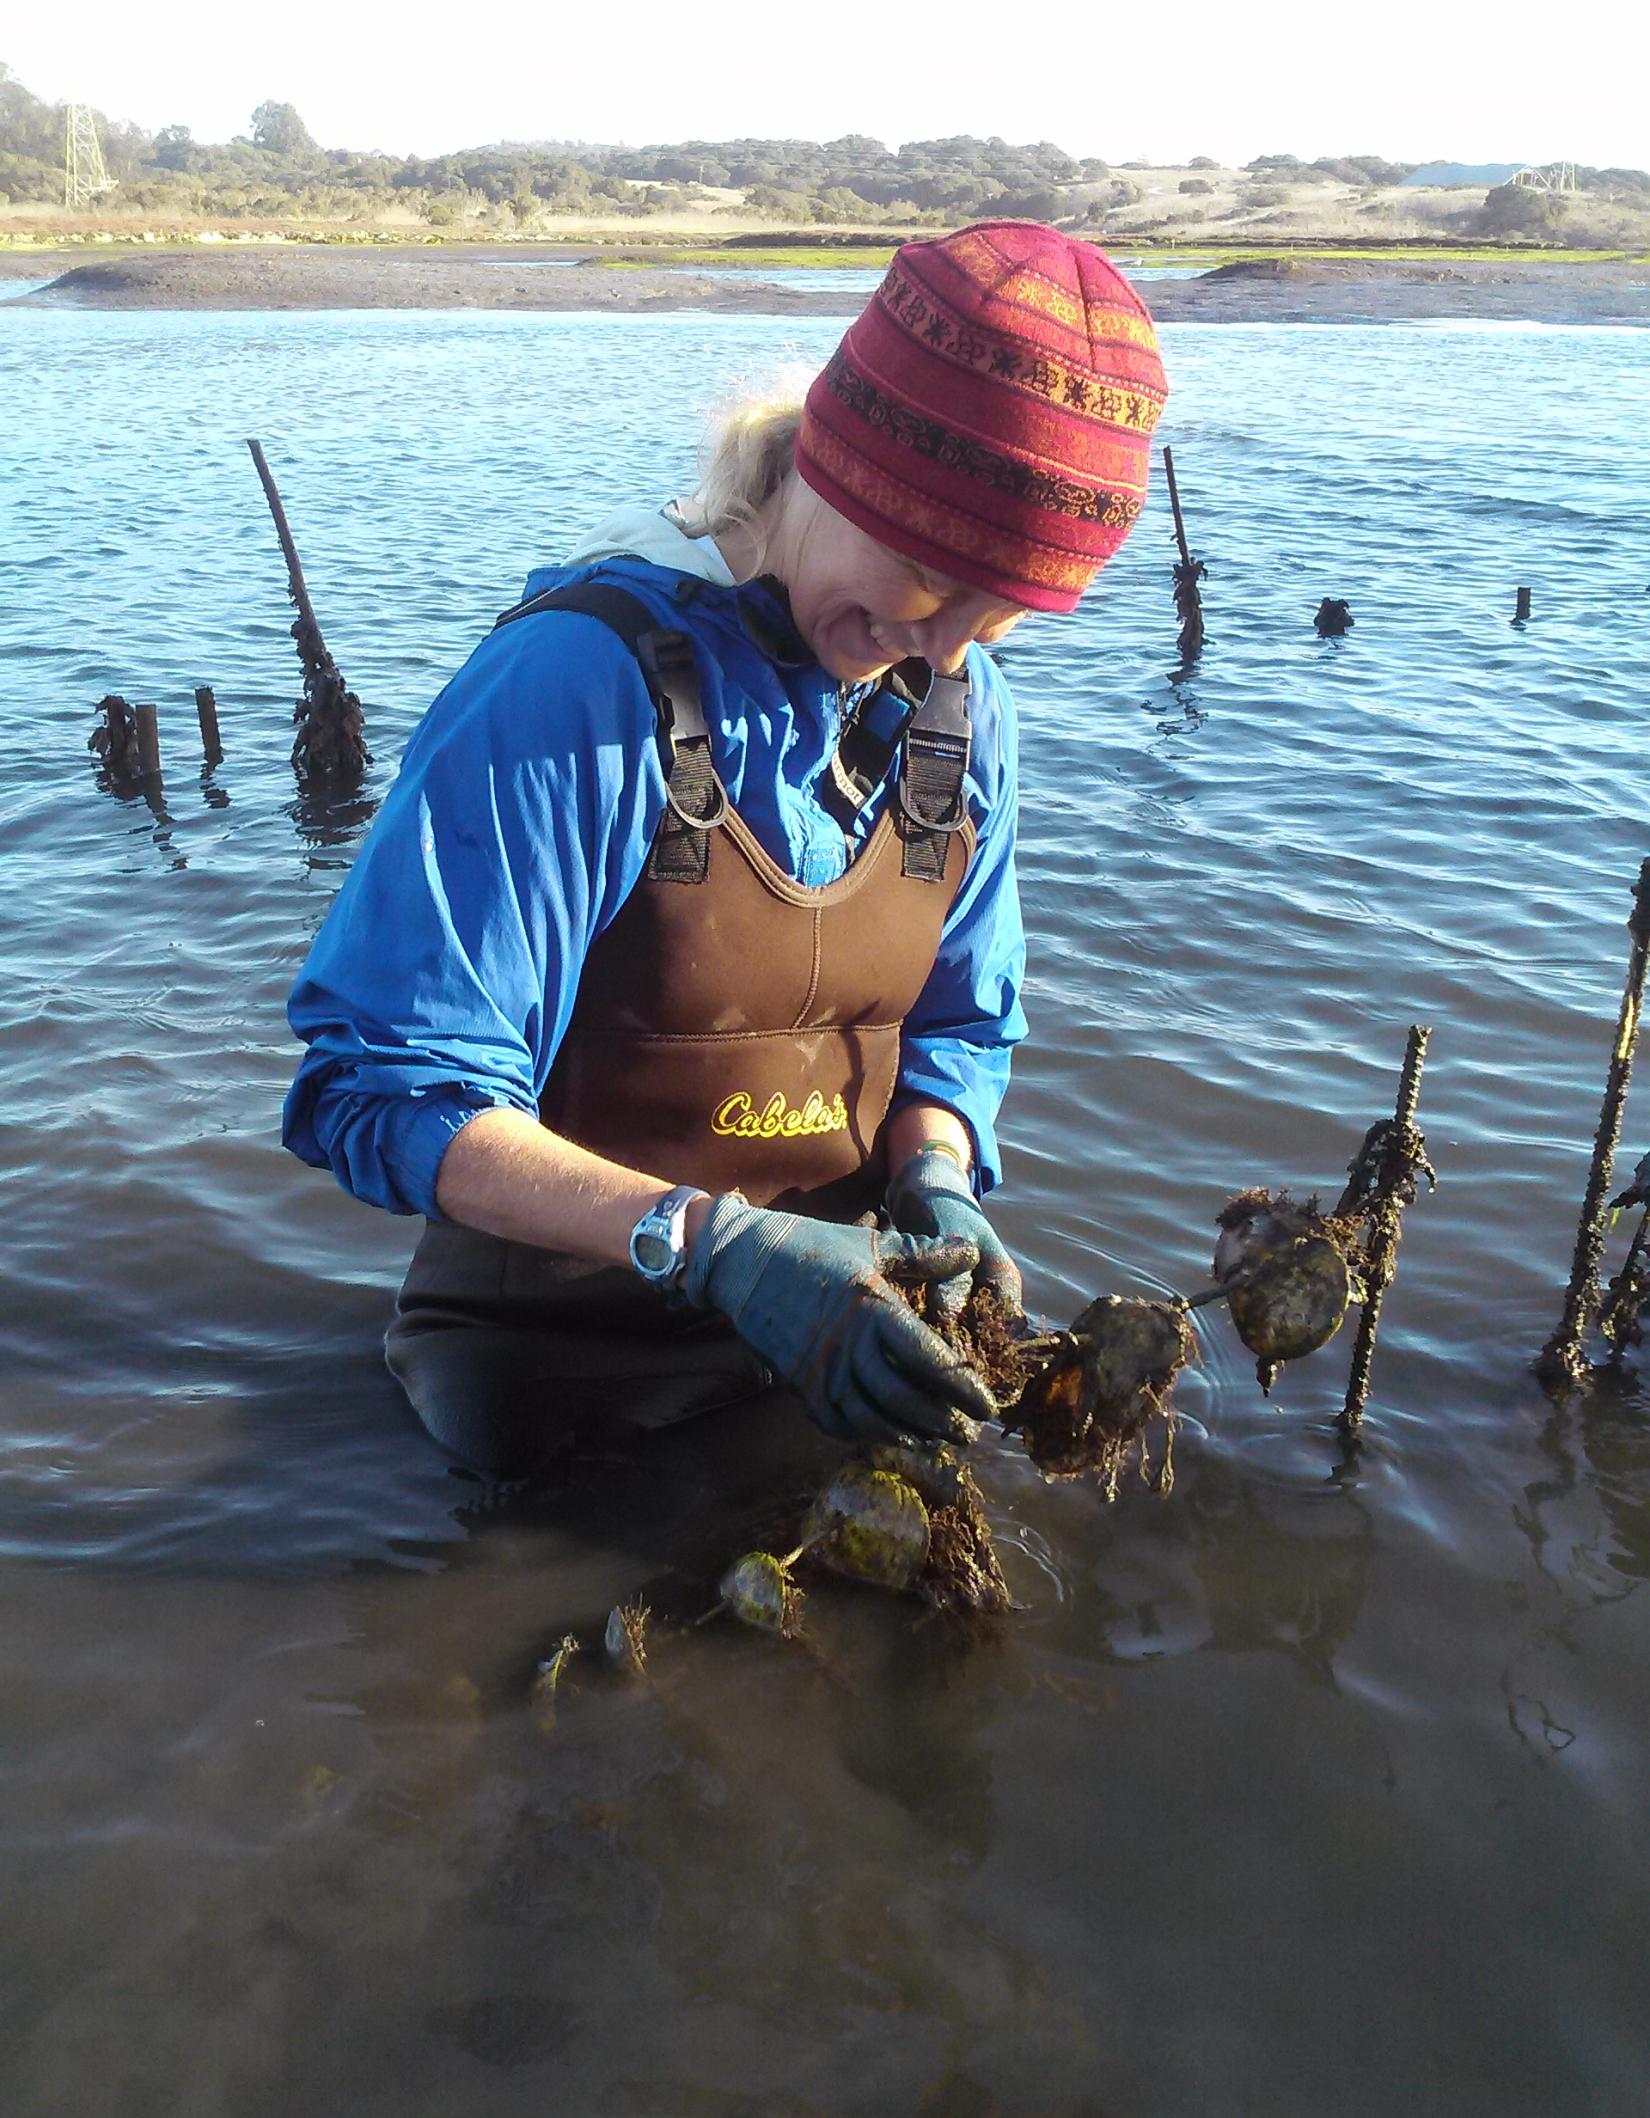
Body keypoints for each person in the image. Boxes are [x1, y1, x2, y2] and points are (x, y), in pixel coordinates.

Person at [282, 221, 1168, 1479]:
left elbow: (960, 1030)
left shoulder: (957, 710)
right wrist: (711, 1244)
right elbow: (387, 1095)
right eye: (925, 574)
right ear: (839, 466)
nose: (946, 651)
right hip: (552, 1369)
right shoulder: (576, 687)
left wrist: (936, 1176)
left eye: (1004, 613)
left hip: (848, 1351)